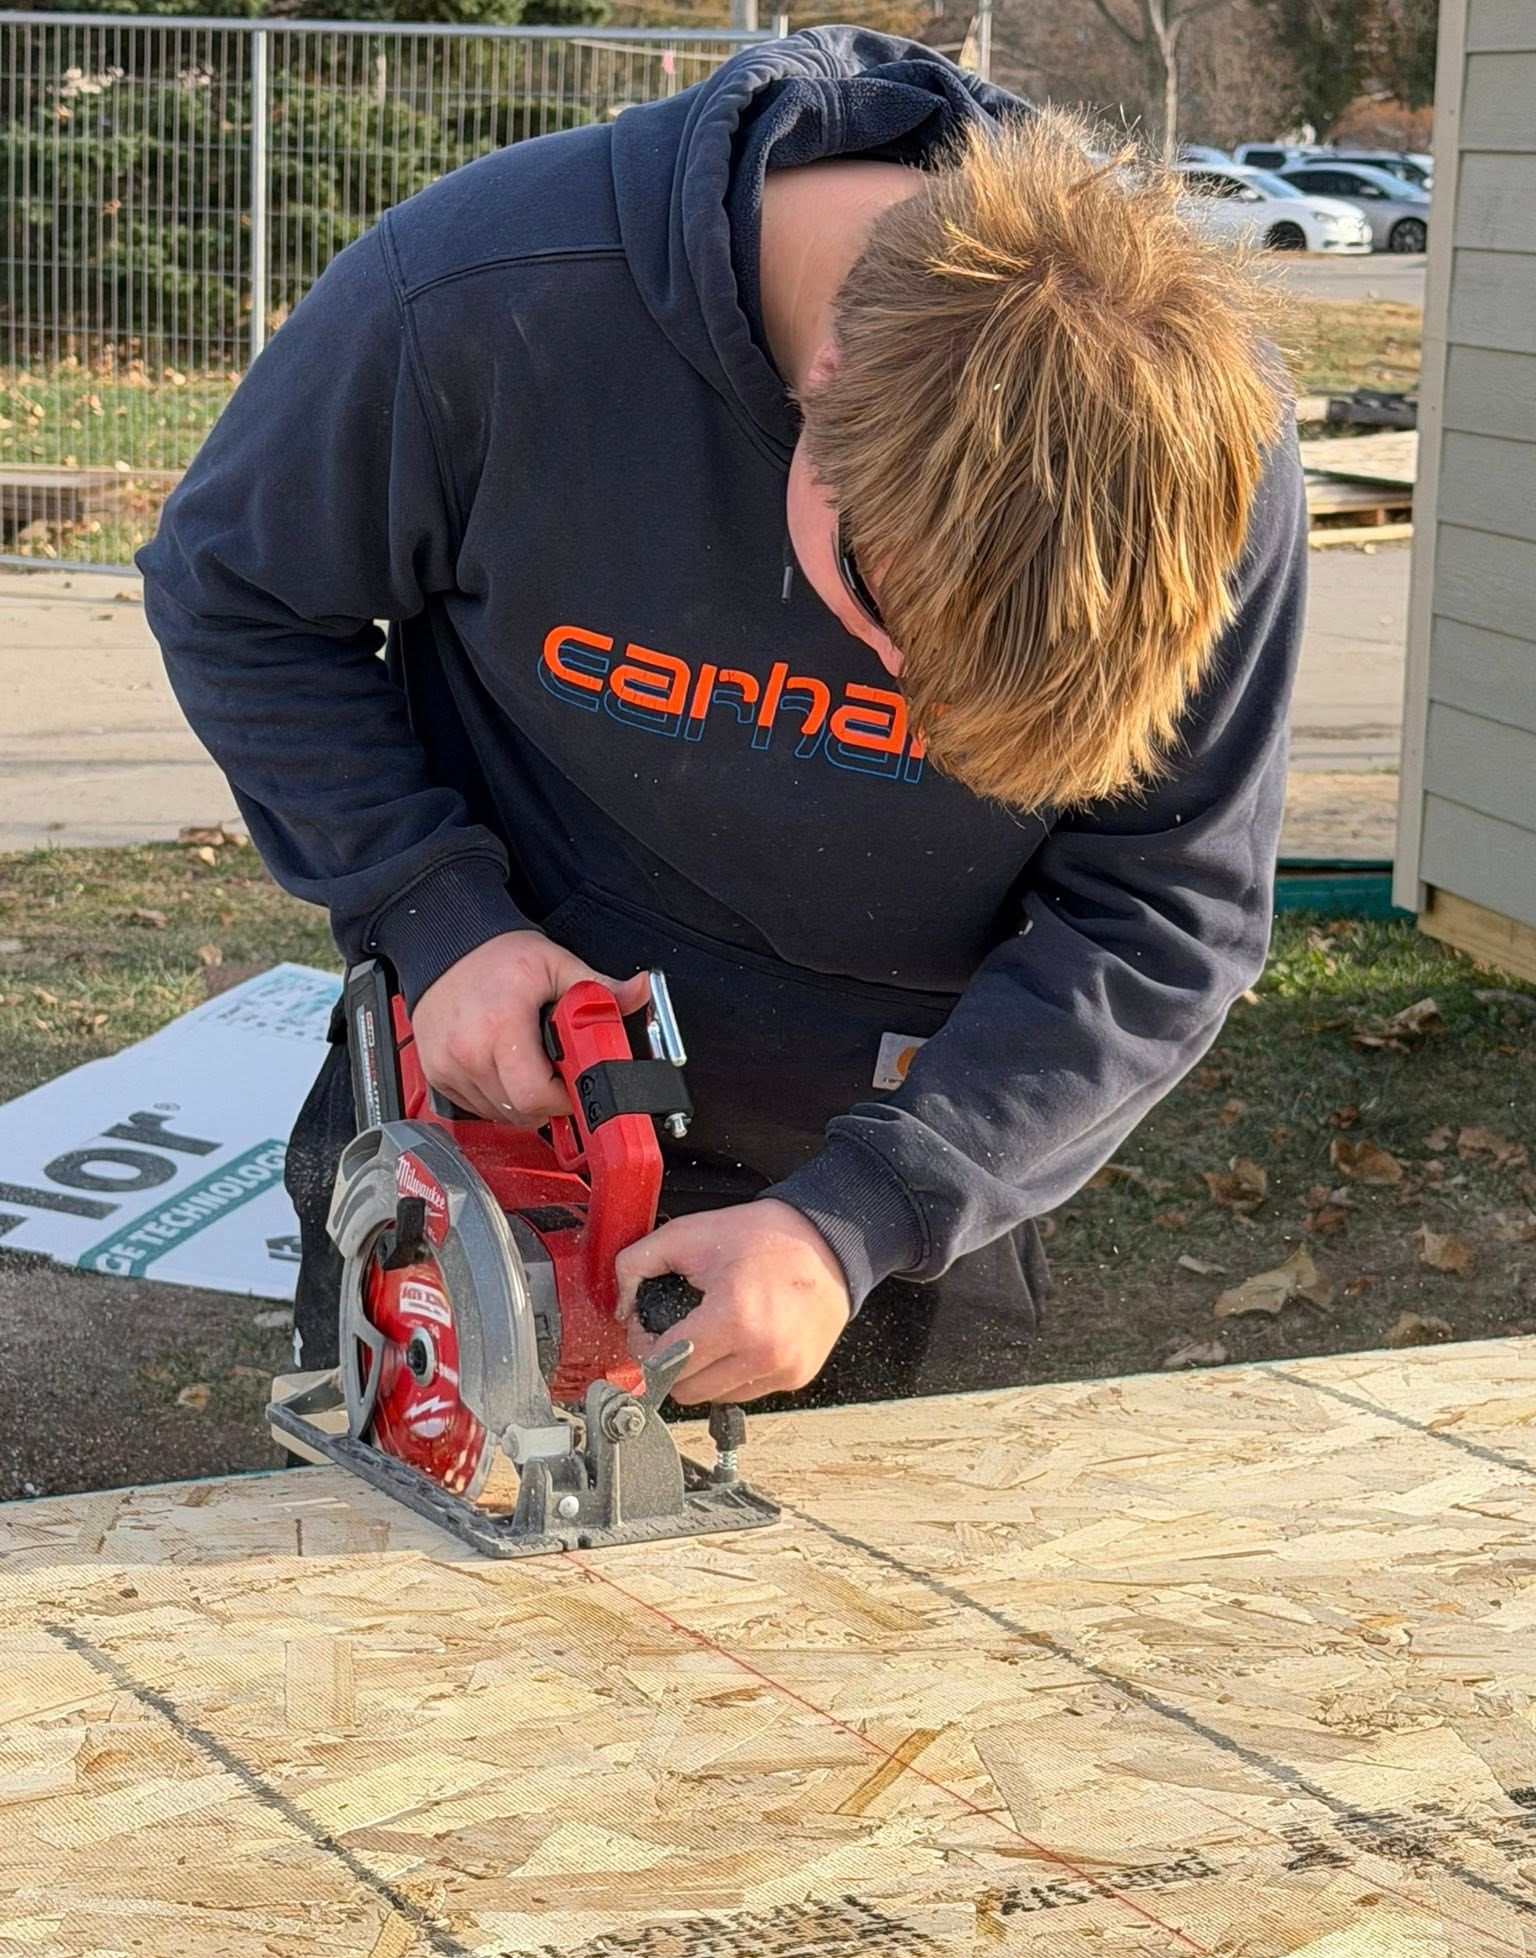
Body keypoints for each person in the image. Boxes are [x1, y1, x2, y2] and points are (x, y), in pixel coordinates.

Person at [138, 27, 1304, 1419]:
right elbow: (238, 595)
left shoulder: (1201, 453)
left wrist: (863, 1216)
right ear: (821, 408)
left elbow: (1167, 906)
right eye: (901, 652)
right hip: (504, 1099)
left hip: (916, 1154)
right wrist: (432, 912)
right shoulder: (486, 301)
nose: (916, 727)